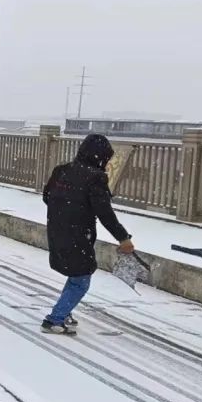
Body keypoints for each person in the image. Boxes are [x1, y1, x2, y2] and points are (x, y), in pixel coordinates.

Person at [42, 133, 134, 334]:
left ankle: (63, 311)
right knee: (81, 279)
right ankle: (55, 319)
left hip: (58, 230)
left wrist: (65, 211)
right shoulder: (96, 178)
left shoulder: (61, 171)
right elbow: (104, 213)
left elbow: (47, 196)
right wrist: (123, 237)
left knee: (76, 274)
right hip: (78, 235)